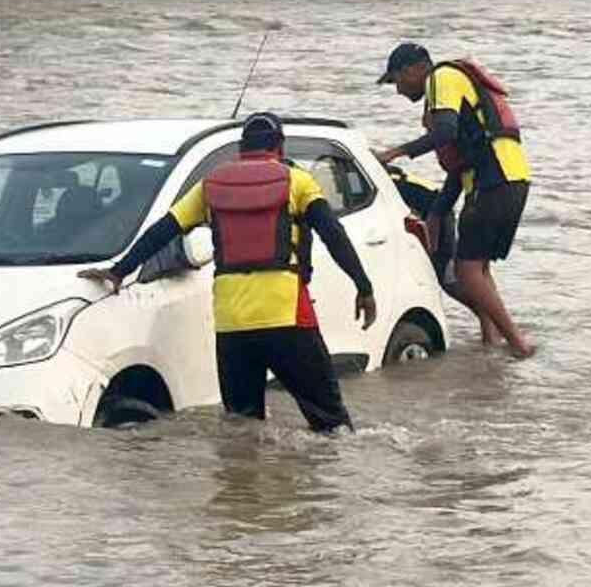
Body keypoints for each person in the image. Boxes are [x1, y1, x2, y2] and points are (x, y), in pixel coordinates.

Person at [78, 113, 377, 433]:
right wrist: (363, 286)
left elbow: (164, 231)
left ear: (241, 149)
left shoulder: (210, 186)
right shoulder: (297, 182)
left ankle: (242, 483)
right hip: (288, 318)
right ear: (280, 146)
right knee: (331, 424)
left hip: (232, 325)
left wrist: (119, 271)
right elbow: (334, 235)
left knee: (243, 428)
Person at [374, 42, 536, 359]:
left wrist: (396, 152)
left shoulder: (441, 77)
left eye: (396, 81)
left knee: (466, 271)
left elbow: (446, 132)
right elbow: (459, 166)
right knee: (479, 269)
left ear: (412, 70)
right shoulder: (456, 84)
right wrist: (436, 214)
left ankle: (518, 344)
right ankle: (492, 342)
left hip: (493, 181)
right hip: (513, 180)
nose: (398, 91)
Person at [384, 164, 502, 346]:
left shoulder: (390, 184)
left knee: (448, 277)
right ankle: (491, 326)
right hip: (435, 212)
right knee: (450, 276)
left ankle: (489, 323)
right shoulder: (396, 180)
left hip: (440, 216)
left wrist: (433, 242)